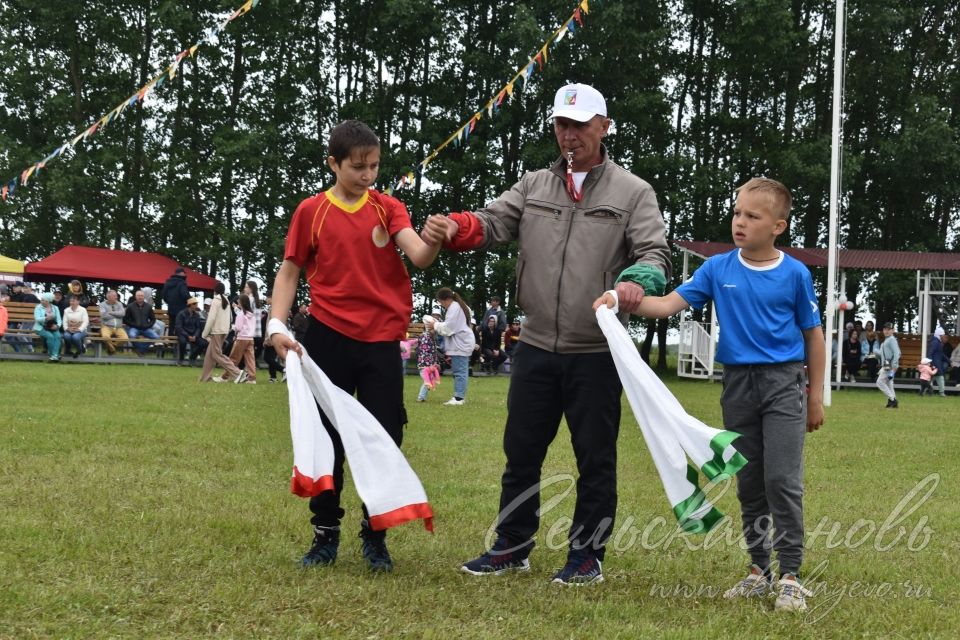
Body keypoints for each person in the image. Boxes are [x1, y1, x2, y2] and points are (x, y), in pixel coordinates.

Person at [441, 83, 672, 586]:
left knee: (595, 458)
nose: (570, 136)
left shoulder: (633, 193)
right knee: (520, 452)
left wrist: (635, 283)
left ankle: (587, 557)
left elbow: (655, 255)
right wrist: (454, 227)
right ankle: (512, 546)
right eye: (562, 125)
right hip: (536, 345)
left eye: (581, 125)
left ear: (603, 127)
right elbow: (491, 223)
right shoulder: (532, 186)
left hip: (597, 350)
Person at [597, 177, 824, 610]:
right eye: (737, 212)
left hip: (784, 384)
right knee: (748, 479)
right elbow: (665, 305)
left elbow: (813, 336)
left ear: (778, 225)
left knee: (782, 480)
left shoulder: (795, 273)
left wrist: (814, 397)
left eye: (752, 216)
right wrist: (619, 300)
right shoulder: (718, 268)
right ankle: (759, 570)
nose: (739, 222)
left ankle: (791, 574)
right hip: (737, 385)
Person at [267, 119, 449, 572]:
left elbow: (420, 257)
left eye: (374, 167)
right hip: (327, 337)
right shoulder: (311, 211)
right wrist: (275, 325)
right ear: (333, 163)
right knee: (326, 439)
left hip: (381, 342)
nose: (368, 176)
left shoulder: (388, 208)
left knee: (385, 437)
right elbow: (289, 272)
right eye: (358, 167)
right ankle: (325, 535)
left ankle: (375, 534)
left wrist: (434, 239)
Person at [434, 288, 475, 403]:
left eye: (441, 303)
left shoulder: (454, 308)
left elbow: (449, 329)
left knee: (460, 372)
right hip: (462, 343)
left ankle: (458, 398)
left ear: (446, 299)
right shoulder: (458, 306)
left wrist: (435, 325)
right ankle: (459, 396)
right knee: (461, 371)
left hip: (461, 344)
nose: (442, 306)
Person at [201, 282, 244, 383]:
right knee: (209, 354)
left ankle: (238, 373)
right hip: (224, 331)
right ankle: (205, 378)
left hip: (217, 331)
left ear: (215, 291)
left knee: (217, 355)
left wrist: (205, 333)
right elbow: (230, 317)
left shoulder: (216, 301)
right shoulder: (226, 301)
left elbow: (211, 319)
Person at [228, 293, 256, 384]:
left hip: (241, 338)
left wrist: (232, 327)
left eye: (239, 301)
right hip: (250, 339)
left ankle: (225, 376)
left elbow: (238, 327)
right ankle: (252, 378)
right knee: (250, 359)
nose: (238, 302)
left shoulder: (240, 314)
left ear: (242, 302)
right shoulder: (251, 314)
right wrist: (235, 308)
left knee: (233, 358)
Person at [124, 289, 159, 357]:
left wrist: (148, 325)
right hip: (134, 328)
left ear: (144, 297)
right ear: (135, 296)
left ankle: (140, 350)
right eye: (138, 295)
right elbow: (125, 319)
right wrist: (133, 325)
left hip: (146, 328)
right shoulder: (130, 306)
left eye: (141, 296)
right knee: (131, 336)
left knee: (156, 337)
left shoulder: (148, 306)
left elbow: (153, 319)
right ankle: (141, 350)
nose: (140, 297)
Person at [174, 297, 208, 366]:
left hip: (193, 334)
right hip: (183, 334)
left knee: (204, 343)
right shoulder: (181, 314)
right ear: (191, 305)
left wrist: (195, 336)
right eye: (195, 304)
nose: (197, 306)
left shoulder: (197, 315)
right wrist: (187, 336)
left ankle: (192, 357)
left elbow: (198, 327)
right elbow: (179, 327)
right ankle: (181, 359)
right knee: (183, 342)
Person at [415, 316, 441, 402]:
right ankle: (421, 397)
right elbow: (425, 352)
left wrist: (435, 363)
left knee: (430, 380)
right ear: (428, 328)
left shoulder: (431, 338)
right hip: (424, 365)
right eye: (434, 330)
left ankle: (422, 397)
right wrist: (432, 364)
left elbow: (433, 353)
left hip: (429, 364)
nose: (436, 332)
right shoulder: (425, 337)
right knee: (428, 381)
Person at [98, 290, 130, 356]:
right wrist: (117, 314)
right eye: (114, 296)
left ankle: (111, 348)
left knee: (125, 338)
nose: (116, 297)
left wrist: (112, 312)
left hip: (119, 327)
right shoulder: (102, 305)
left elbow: (123, 314)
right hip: (106, 326)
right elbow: (104, 316)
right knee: (105, 337)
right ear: (108, 297)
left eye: (116, 296)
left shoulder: (119, 304)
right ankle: (113, 349)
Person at [163, 267, 190, 343]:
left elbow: (164, 296)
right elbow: (185, 295)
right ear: (181, 273)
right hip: (181, 310)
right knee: (181, 326)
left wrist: (170, 302)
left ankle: (171, 344)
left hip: (171, 309)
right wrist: (191, 301)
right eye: (184, 273)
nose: (185, 274)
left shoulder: (167, 283)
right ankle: (181, 344)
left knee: (172, 326)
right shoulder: (182, 283)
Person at [33, 292, 63, 362]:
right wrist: (46, 318)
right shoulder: (38, 307)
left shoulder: (55, 308)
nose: (42, 301)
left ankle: (54, 356)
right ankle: (53, 355)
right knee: (50, 336)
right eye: (41, 299)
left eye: (44, 300)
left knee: (58, 336)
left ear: (49, 301)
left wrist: (57, 326)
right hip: (41, 327)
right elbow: (37, 319)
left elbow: (59, 319)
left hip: (52, 327)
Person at [877, 322, 901, 408]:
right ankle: (892, 402)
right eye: (885, 329)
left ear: (892, 330)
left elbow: (897, 353)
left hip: (889, 365)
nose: (886, 331)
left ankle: (892, 399)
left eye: (888, 329)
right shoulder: (887, 340)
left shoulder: (891, 340)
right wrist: (876, 353)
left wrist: (894, 365)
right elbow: (883, 353)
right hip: (887, 364)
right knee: (889, 382)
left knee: (880, 382)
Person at [928, 327, 949, 397]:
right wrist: (931, 364)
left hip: (936, 363)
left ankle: (925, 391)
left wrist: (948, 360)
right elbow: (930, 353)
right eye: (942, 335)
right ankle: (942, 393)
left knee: (930, 378)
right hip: (935, 364)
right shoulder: (935, 342)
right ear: (940, 335)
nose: (944, 336)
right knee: (940, 377)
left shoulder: (936, 342)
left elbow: (940, 354)